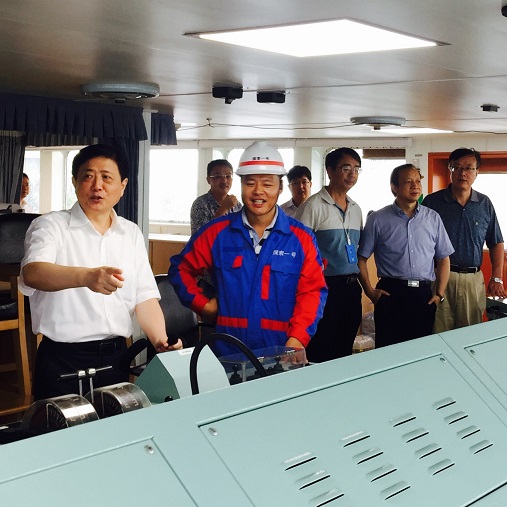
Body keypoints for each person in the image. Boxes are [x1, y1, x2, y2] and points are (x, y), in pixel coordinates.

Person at [20, 144, 182, 400]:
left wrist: (161, 342)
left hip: (116, 358)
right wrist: (86, 277)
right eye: (88, 176)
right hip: (62, 360)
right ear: (74, 182)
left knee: (115, 424)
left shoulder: (130, 233)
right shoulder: (50, 226)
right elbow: (33, 273)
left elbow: (144, 297)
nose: (97, 186)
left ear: (123, 186)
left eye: (107, 177)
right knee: (59, 425)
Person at [169, 141, 327, 358]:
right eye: (250, 183)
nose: (258, 191)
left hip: (281, 350)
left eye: (267, 184)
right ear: (241, 184)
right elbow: (180, 269)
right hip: (228, 352)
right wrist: (203, 305)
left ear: (280, 187)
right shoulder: (217, 233)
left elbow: (312, 292)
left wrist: (298, 339)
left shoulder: (301, 239)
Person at [358, 164, 454, 348]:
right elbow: (361, 259)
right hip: (391, 293)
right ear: (394, 187)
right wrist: (369, 291)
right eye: (408, 182)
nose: (415, 186)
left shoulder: (433, 218)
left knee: (420, 351)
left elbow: (444, 258)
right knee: (388, 350)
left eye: (418, 181)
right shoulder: (378, 219)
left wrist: (439, 294)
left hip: (423, 295)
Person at [422, 148, 506, 332]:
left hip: (472, 280)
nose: (463, 173)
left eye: (469, 168)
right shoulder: (432, 202)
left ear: (477, 172)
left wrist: (497, 277)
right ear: (450, 169)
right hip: (439, 278)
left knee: (470, 335)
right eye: (457, 167)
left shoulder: (484, 204)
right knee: (437, 332)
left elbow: (496, 242)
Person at [295, 147, 363, 363]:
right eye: (346, 168)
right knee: (322, 349)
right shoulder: (312, 206)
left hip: (351, 288)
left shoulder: (356, 208)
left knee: (344, 350)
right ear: (330, 171)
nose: (352, 174)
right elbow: (297, 251)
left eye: (356, 169)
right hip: (324, 288)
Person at [190, 159, 242, 235]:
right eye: (218, 176)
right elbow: (202, 238)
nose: (224, 181)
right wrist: (223, 209)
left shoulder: (237, 205)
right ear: (208, 180)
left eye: (228, 176)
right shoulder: (200, 204)